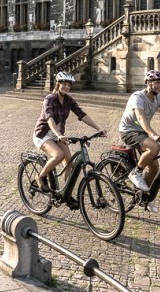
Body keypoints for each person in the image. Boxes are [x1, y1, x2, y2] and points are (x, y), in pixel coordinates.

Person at [33, 71, 108, 202]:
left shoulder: (68, 100)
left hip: (58, 135)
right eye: (64, 84)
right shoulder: (49, 99)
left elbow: (82, 115)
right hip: (43, 134)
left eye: (68, 84)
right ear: (58, 84)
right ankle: (40, 177)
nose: (66, 87)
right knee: (58, 155)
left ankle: (65, 194)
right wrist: (58, 135)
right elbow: (49, 118)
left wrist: (98, 129)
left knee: (69, 164)